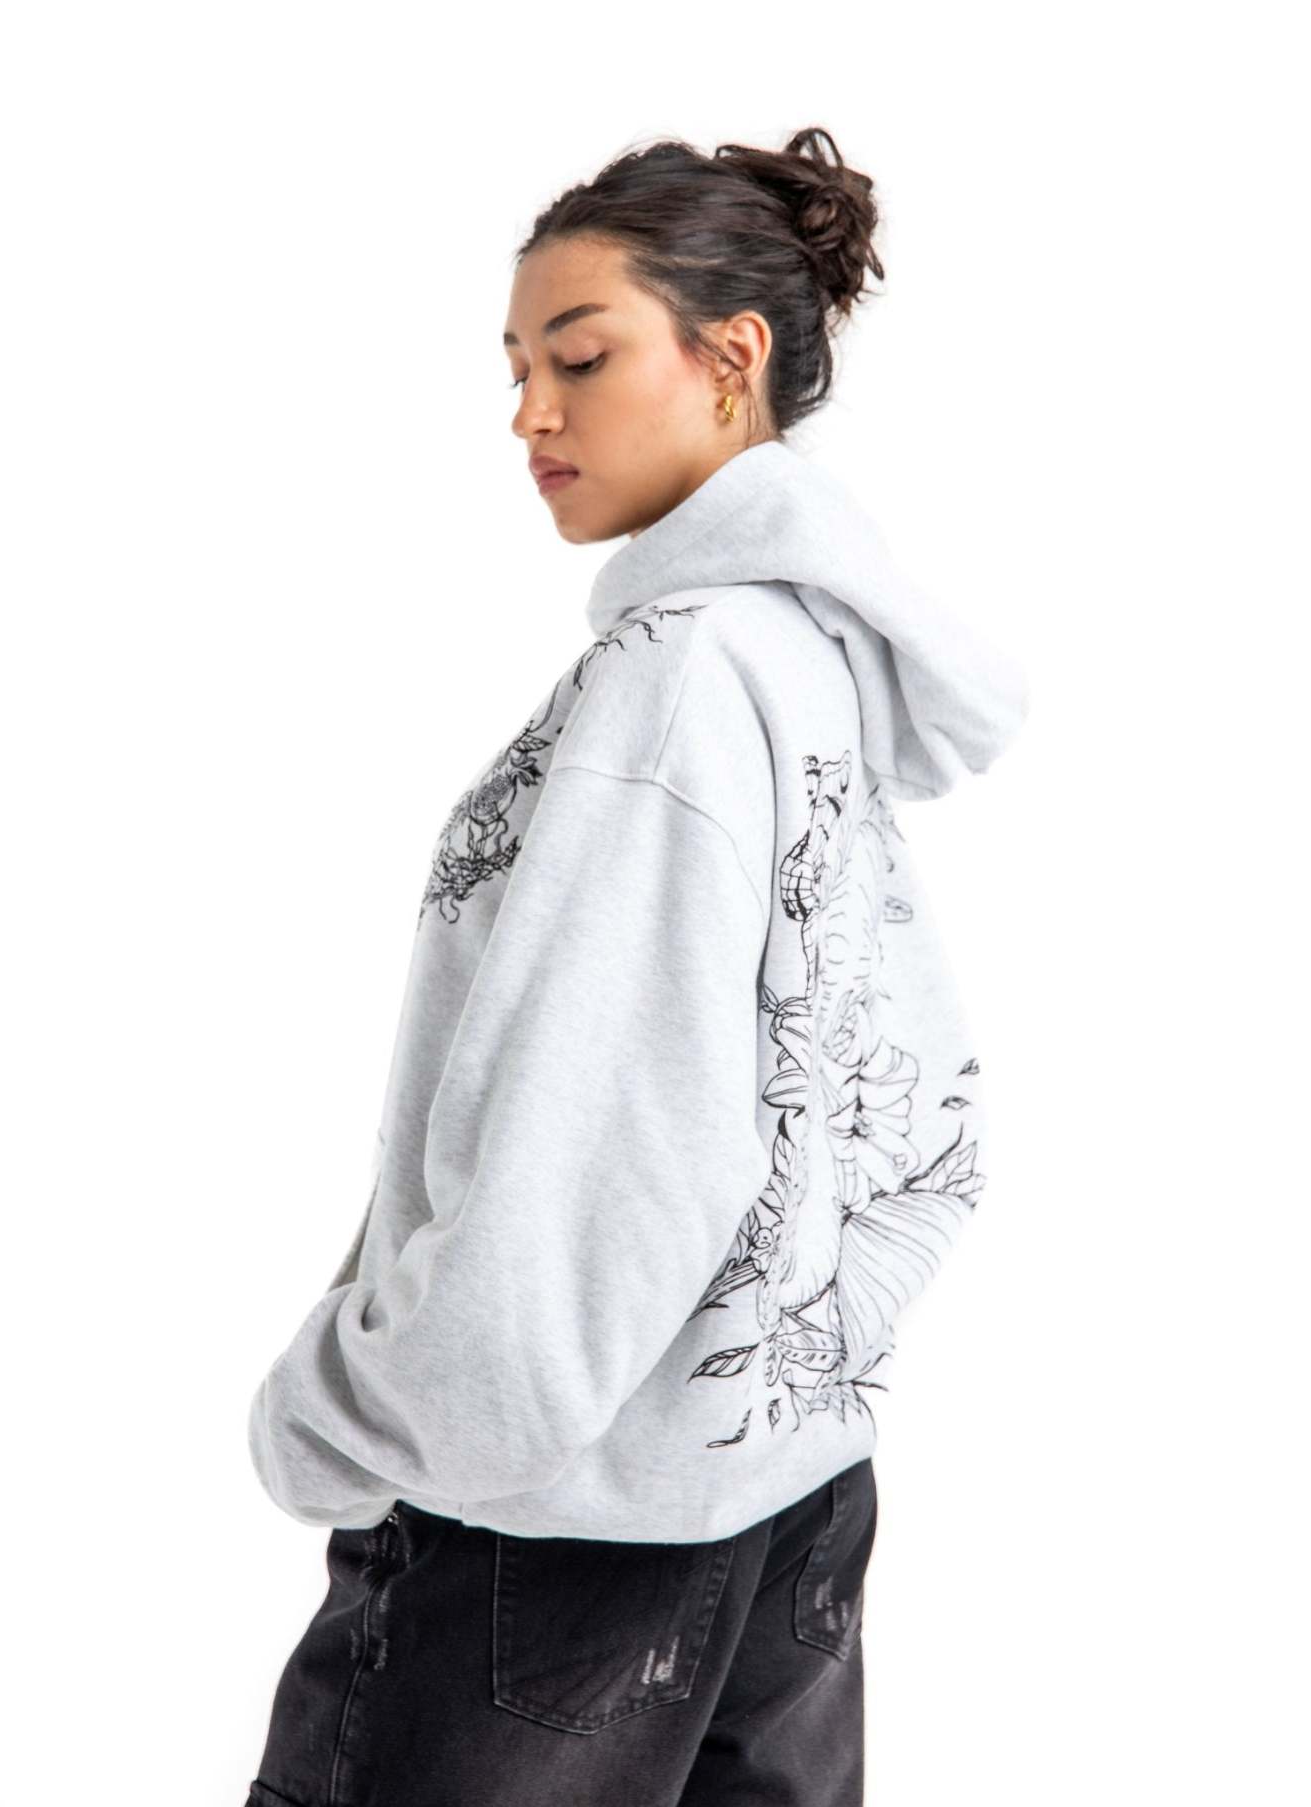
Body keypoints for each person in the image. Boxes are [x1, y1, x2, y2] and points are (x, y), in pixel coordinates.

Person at [243, 125, 1028, 1807]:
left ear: (729, 359)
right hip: (782, 1499)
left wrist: (339, 1413)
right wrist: (789, 1363)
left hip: (552, 1549)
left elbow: (607, 1153)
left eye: (580, 359)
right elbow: (915, 1111)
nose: (530, 414)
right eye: (516, 370)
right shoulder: (807, 660)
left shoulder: (674, 683)